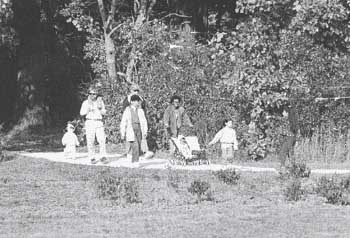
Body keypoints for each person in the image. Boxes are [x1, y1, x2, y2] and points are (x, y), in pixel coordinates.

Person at [80, 88, 108, 164]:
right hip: (90, 121)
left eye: (94, 94)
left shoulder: (100, 102)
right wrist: (88, 110)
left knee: (102, 140)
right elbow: (81, 113)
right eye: (91, 94)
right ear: (89, 94)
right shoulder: (86, 102)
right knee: (90, 140)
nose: (93, 95)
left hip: (98, 122)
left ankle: (103, 156)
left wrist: (100, 109)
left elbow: (104, 113)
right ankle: (92, 157)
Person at [120, 95, 148, 165]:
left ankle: (135, 160)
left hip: (139, 129)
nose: (137, 103)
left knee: (138, 145)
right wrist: (122, 133)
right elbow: (123, 122)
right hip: (131, 129)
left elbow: (144, 121)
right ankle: (135, 162)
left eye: (138, 101)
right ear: (131, 102)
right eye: (135, 101)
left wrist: (145, 131)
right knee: (135, 145)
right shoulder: (127, 110)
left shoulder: (140, 110)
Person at [278, 104, 299, 173]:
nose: (282, 113)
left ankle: (283, 167)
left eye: (284, 112)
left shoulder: (285, 119)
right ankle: (292, 167)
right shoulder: (292, 120)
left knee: (283, 152)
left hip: (288, 138)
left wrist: (270, 117)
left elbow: (283, 130)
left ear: (287, 113)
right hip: (292, 137)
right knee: (290, 152)